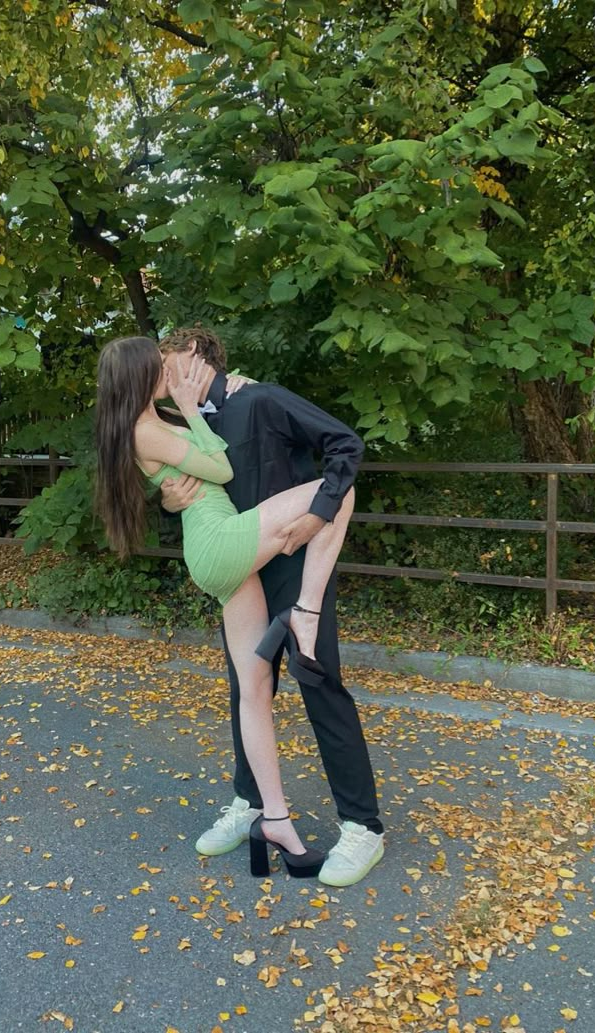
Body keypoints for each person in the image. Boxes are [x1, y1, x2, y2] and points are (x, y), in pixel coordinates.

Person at [95, 335, 357, 879]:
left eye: (171, 367)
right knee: (334, 492)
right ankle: (306, 609)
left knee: (253, 690)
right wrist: (191, 411)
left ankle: (275, 818)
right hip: (220, 544)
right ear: (141, 378)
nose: (167, 379)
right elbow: (220, 471)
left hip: (217, 551)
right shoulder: (149, 426)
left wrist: (217, 391)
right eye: (158, 370)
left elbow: (201, 442)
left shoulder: (151, 419)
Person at [158, 327, 385, 887]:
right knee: (247, 689)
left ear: (195, 355)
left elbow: (345, 445)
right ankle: (252, 802)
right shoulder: (187, 426)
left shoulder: (260, 398)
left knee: (319, 681)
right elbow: (189, 502)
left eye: (167, 362)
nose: (161, 377)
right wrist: (167, 499)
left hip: (295, 567)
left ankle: (363, 827)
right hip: (241, 573)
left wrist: (317, 513)